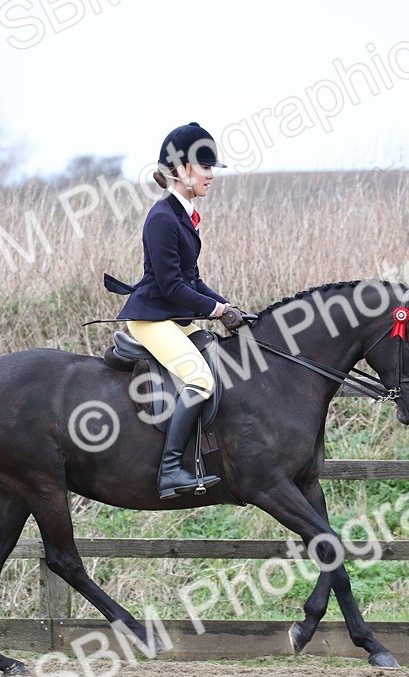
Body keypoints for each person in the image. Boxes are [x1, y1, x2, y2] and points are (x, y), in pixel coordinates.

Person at [116, 122, 250, 499]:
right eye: (205, 168)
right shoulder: (162, 218)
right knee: (200, 380)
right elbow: (173, 286)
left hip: (173, 319)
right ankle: (171, 470)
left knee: (222, 363)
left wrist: (227, 306)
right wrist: (217, 309)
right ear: (182, 170)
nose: (211, 175)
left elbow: (192, 280)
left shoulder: (182, 216)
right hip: (150, 320)